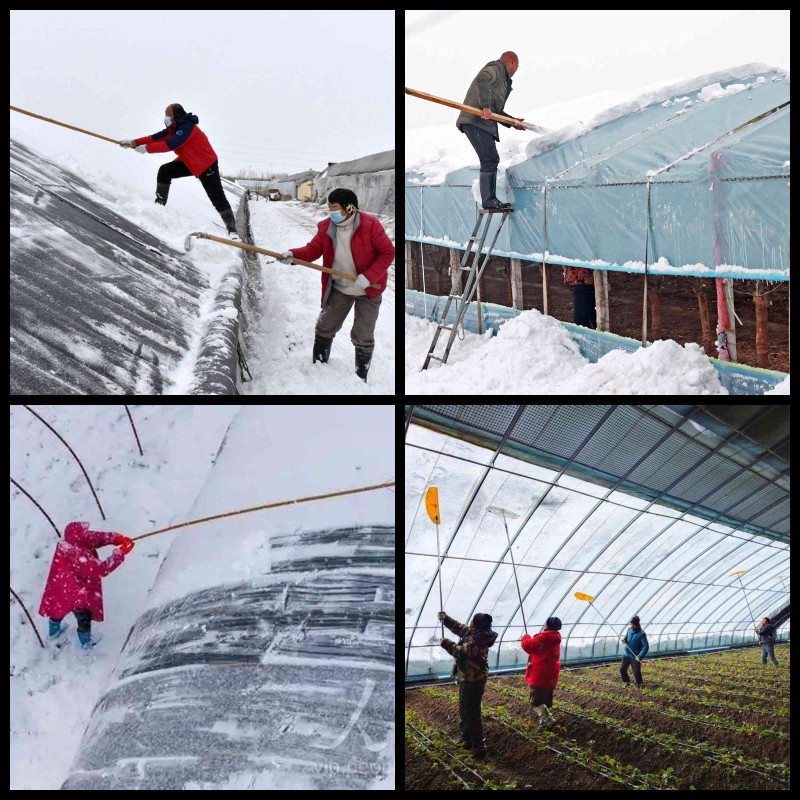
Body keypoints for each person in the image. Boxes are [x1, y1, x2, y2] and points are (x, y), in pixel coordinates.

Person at [279, 188, 395, 382]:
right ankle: (319, 365)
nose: (331, 212)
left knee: (363, 334)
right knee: (325, 325)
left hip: (368, 289)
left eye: (335, 208)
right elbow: (313, 249)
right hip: (340, 288)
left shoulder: (370, 225)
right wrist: (293, 255)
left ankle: (360, 376)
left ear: (350, 208)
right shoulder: (327, 227)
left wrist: (369, 276)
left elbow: (387, 253)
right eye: (329, 208)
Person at [118, 103, 239, 240]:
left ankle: (232, 230)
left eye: (168, 116)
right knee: (165, 171)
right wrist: (134, 142)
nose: (165, 119)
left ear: (175, 116)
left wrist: (147, 148)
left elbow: (171, 144)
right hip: (188, 161)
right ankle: (159, 206)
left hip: (206, 164)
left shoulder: (187, 127)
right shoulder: (173, 129)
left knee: (216, 197)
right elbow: (154, 138)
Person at [38, 521, 134, 650]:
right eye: (84, 533)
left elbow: (93, 537)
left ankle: (54, 633)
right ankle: (86, 645)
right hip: (77, 593)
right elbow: (101, 569)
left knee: (57, 609)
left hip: (61, 587)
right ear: (79, 538)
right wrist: (120, 553)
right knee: (84, 618)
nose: (87, 534)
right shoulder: (76, 555)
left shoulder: (66, 543)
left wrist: (116, 538)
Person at [456, 51, 526, 210]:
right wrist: (485, 106)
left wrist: (513, 122)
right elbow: (483, 78)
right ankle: (489, 200)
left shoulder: (502, 81)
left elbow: (495, 112)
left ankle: (490, 199)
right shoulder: (496, 68)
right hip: (475, 120)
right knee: (490, 159)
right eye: (517, 67)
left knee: (491, 159)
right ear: (513, 62)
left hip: (482, 122)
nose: (516, 70)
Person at [438, 610, 497, 758]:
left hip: (473, 680)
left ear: (476, 624)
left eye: (472, 620)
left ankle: (478, 745)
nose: (469, 623)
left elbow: (460, 652)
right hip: (471, 677)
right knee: (465, 710)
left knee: (471, 712)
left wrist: (446, 643)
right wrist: (446, 619)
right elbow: (461, 628)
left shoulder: (476, 640)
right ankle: (466, 739)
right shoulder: (478, 634)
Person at [521, 617, 562, 727]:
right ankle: (544, 722)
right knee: (546, 697)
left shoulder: (544, 637)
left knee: (536, 700)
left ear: (548, 625)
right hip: (552, 672)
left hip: (541, 673)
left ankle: (549, 720)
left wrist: (526, 637)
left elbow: (528, 646)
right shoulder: (555, 637)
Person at [619, 615, 649, 688]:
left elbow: (645, 647)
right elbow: (627, 637)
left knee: (636, 673)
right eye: (631, 624)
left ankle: (640, 686)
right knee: (622, 669)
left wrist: (639, 656)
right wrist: (624, 640)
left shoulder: (642, 634)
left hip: (635, 657)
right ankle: (627, 683)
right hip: (626, 655)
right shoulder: (629, 630)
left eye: (633, 625)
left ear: (636, 625)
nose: (631, 626)